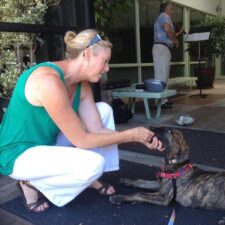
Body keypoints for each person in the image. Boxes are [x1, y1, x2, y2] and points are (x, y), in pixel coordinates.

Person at [0, 29, 164, 212]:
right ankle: (30, 182)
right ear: (87, 55)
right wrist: (131, 135)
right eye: (105, 61)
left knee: (104, 110)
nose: (107, 68)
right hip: (18, 154)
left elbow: (96, 128)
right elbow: (82, 140)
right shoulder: (48, 81)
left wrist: (141, 137)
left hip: (47, 142)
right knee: (94, 165)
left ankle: (86, 177)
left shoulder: (81, 84)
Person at [152, 1, 185, 108]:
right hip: (161, 47)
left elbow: (167, 34)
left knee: (163, 74)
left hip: (162, 47)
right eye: (171, 9)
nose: (172, 11)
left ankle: (163, 100)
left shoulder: (163, 17)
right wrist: (175, 40)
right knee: (161, 74)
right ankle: (159, 101)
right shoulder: (164, 16)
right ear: (165, 9)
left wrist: (178, 34)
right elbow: (167, 30)